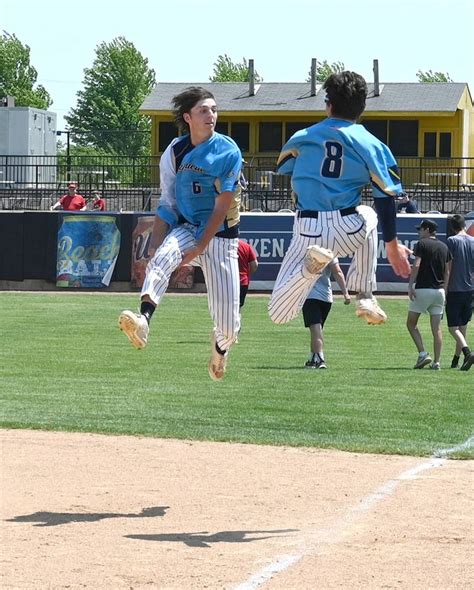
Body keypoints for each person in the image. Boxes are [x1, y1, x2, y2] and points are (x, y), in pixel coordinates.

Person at [268, 71, 411, 330]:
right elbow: (386, 195)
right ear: (362, 108)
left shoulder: (302, 136)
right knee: (369, 211)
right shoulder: (372, 143)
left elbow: (284, 167)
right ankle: (365, 295)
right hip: (347, 226)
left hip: (306, 229)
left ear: (329, 104)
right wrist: (392, 245)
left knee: (278, 314)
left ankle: (309, 270)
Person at [118, 86, 243, 382]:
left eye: (213, 109)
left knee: (229, 329)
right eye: (203, 110)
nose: (211, 114)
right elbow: (167, 203)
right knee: (159, 256)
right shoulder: (175, 151)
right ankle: (144, 320)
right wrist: (157, 249)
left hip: (220, 236)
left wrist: (200, 247)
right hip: (187, 227)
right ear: (188, 117)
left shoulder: (228, 150)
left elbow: (222, 207)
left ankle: (220, 350)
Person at [406, 219, 452, 370]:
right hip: (439, 291)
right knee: (436, 328)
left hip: (423, 289)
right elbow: (447, 271)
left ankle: (423, 354)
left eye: (420, 229)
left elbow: (416, 265)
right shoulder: (444, 247)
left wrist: (411, 284)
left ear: (427, 230)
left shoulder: (422, 244)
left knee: (411, 324)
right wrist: (444, 290)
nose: (419, 232)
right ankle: (437, 362)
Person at [303, 257, 351, 369]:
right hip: (326, 297)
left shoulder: (304, 250)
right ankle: (312, 358)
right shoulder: (329, 251)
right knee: (316, 330)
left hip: (310, 295)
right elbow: (337, 271)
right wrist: (345, 293)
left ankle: (320, 358)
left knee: (316, 328)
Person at [445, 214, 474, 371]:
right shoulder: (472, 241)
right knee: (462, 326)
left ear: (452, 227)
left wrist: (445, 288)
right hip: (470, 288)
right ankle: (456, 360)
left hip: (455, 288)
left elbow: (448, 266)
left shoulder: (452, 241)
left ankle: (467, 352)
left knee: (452, 327)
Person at [238, 239, 258, 308]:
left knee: (225, 309)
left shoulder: (225, 246)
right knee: (238, 308)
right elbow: (255, 265)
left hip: (227, 281)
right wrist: (246, 275)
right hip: (243, 282)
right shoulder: (246, 246)